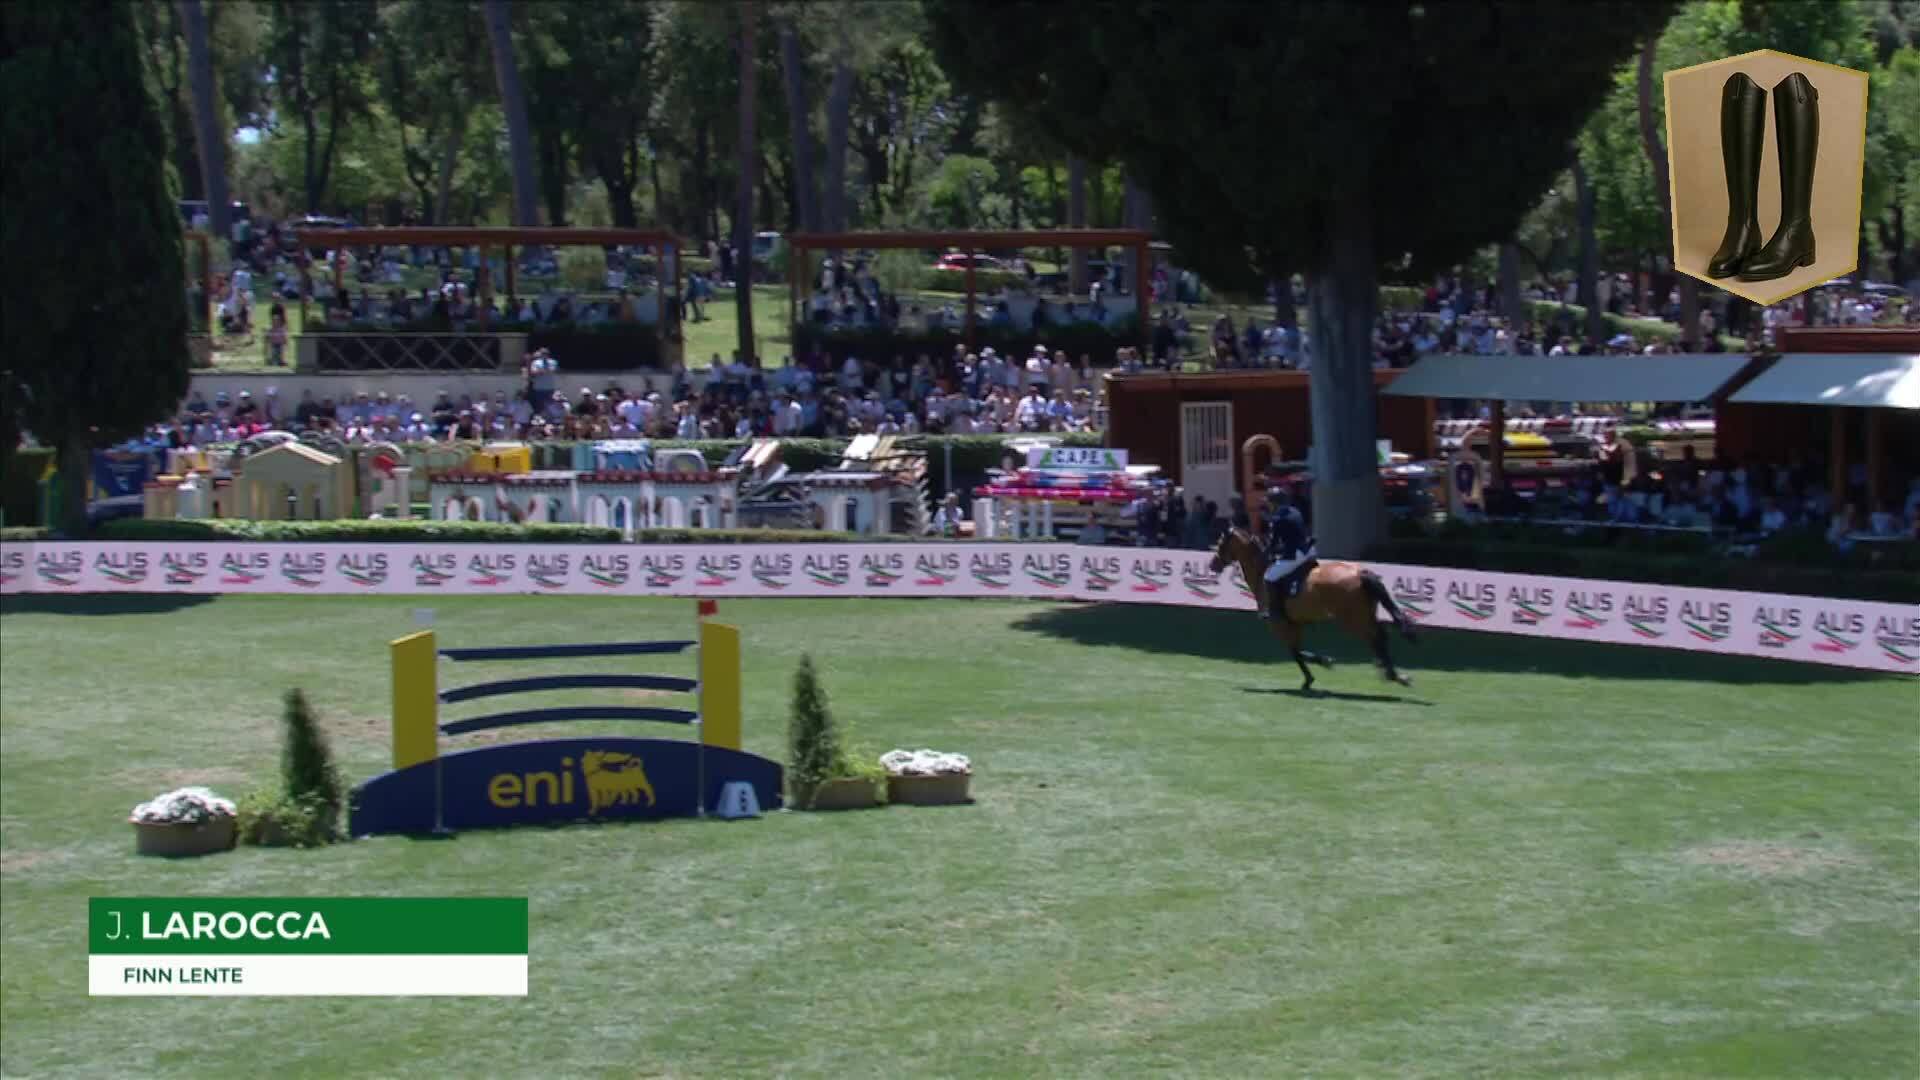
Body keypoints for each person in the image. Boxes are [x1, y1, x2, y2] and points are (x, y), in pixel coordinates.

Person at [1260, 486, 1318, 624]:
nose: (1267, 504)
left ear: (1274, 503)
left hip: (1296, 554)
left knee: (1269, 576)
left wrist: (1265, 556)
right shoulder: (1295, 511)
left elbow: (1272, 545)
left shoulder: (1277, 519)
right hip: (1309, 550)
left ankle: (1276, 611)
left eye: (1269, 502)